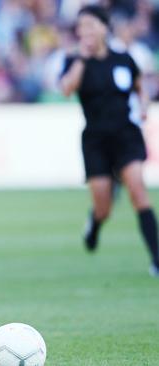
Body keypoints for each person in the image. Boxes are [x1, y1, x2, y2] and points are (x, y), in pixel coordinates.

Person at [59, 5, 158, 276]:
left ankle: (157, 259)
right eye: (81, 27)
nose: (85, 31)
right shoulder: (75, 60)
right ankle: (95, 222)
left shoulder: (123, 59)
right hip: (96, 139)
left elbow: (141, 88)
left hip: (126, 134)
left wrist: (145, 104)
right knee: (103, 206)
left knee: (138, 191)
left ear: (104, 27)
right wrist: (82, 58)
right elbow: (66, 89)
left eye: (91, 25)